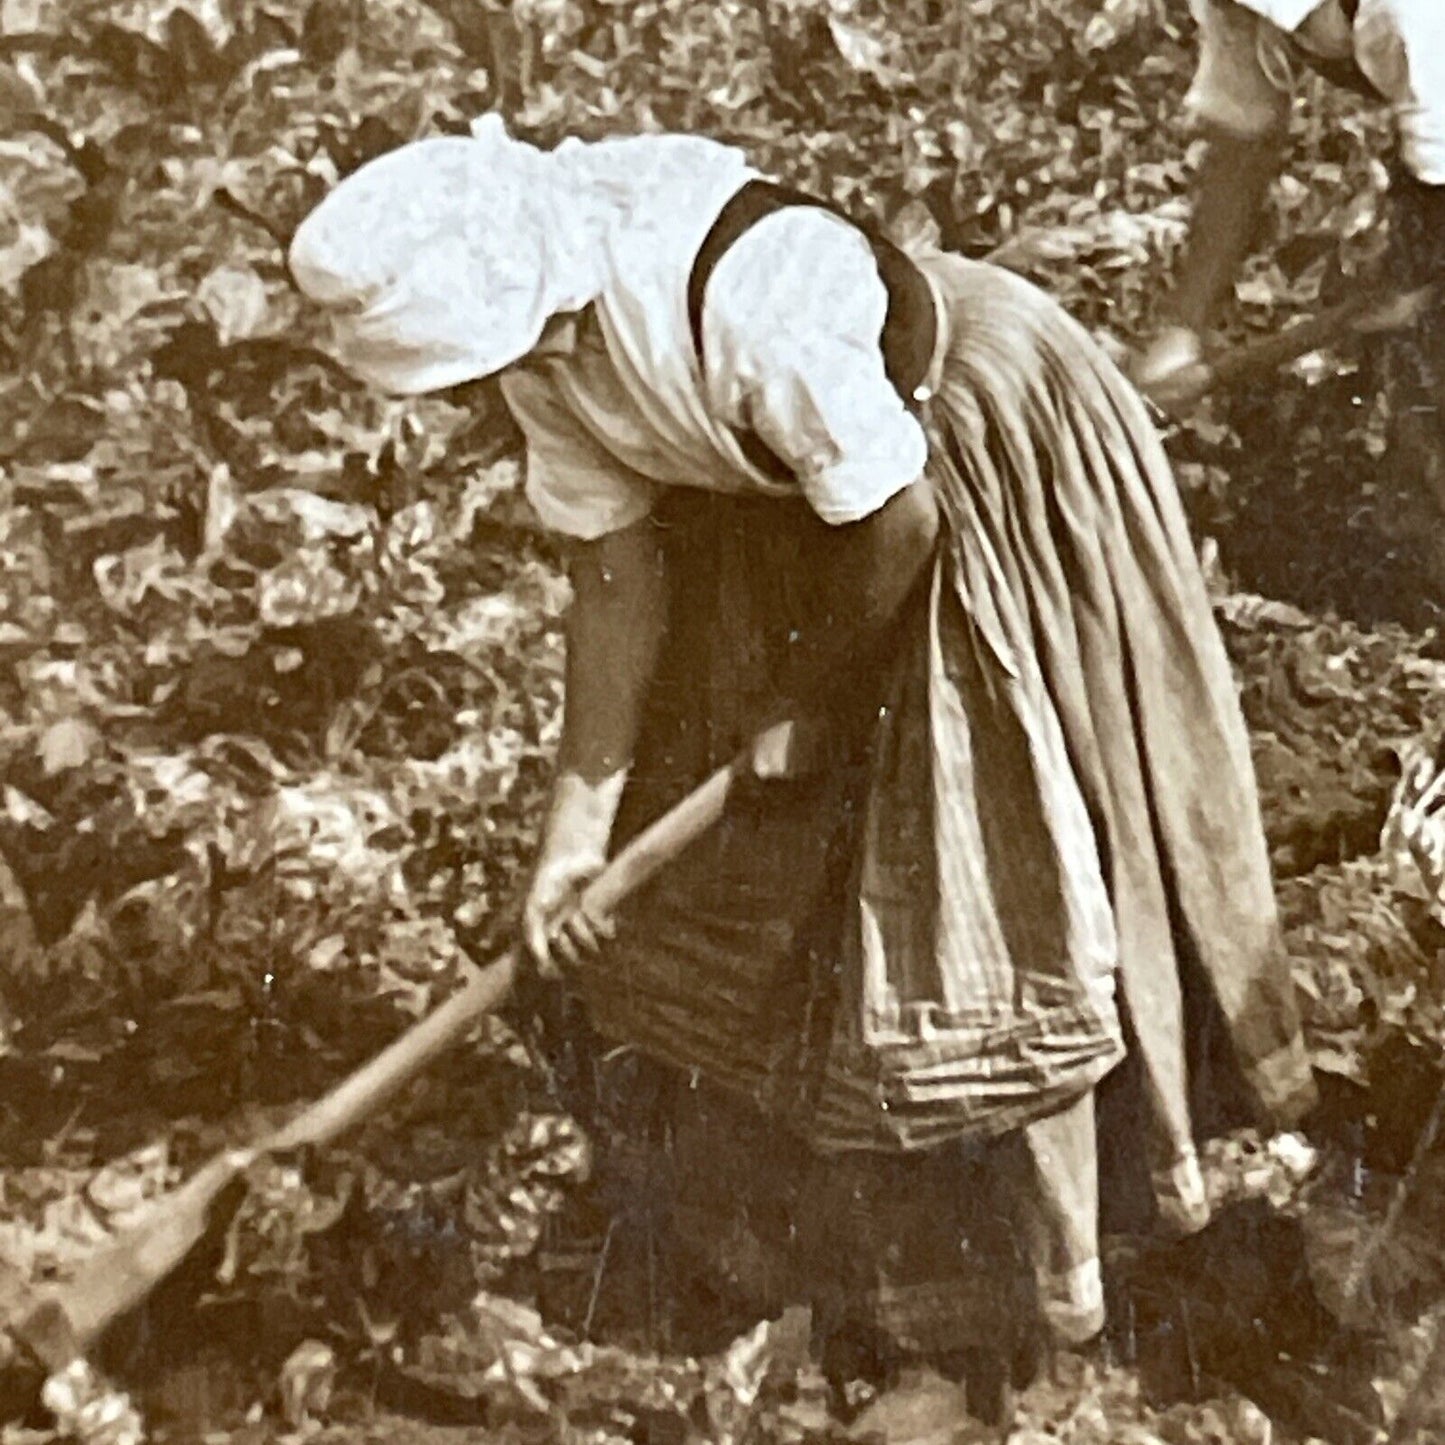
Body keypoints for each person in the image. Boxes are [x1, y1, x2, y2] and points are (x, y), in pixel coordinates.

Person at [288, 114, 1315, 1425]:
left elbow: (899, 521)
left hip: (955, 460)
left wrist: (807, 710)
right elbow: (613, 578)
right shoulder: (542, 362)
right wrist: (576, 827)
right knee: (725, 879)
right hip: (784, 514)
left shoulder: (745, 298)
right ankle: (804, 1247)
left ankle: (1033, 1306)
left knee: (966, 872)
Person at [1135, 0, 1445, 412]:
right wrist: (1185, 326)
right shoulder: (1243, 11)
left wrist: (1411, 274)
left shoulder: (1410, 17)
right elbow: (1243, 139)